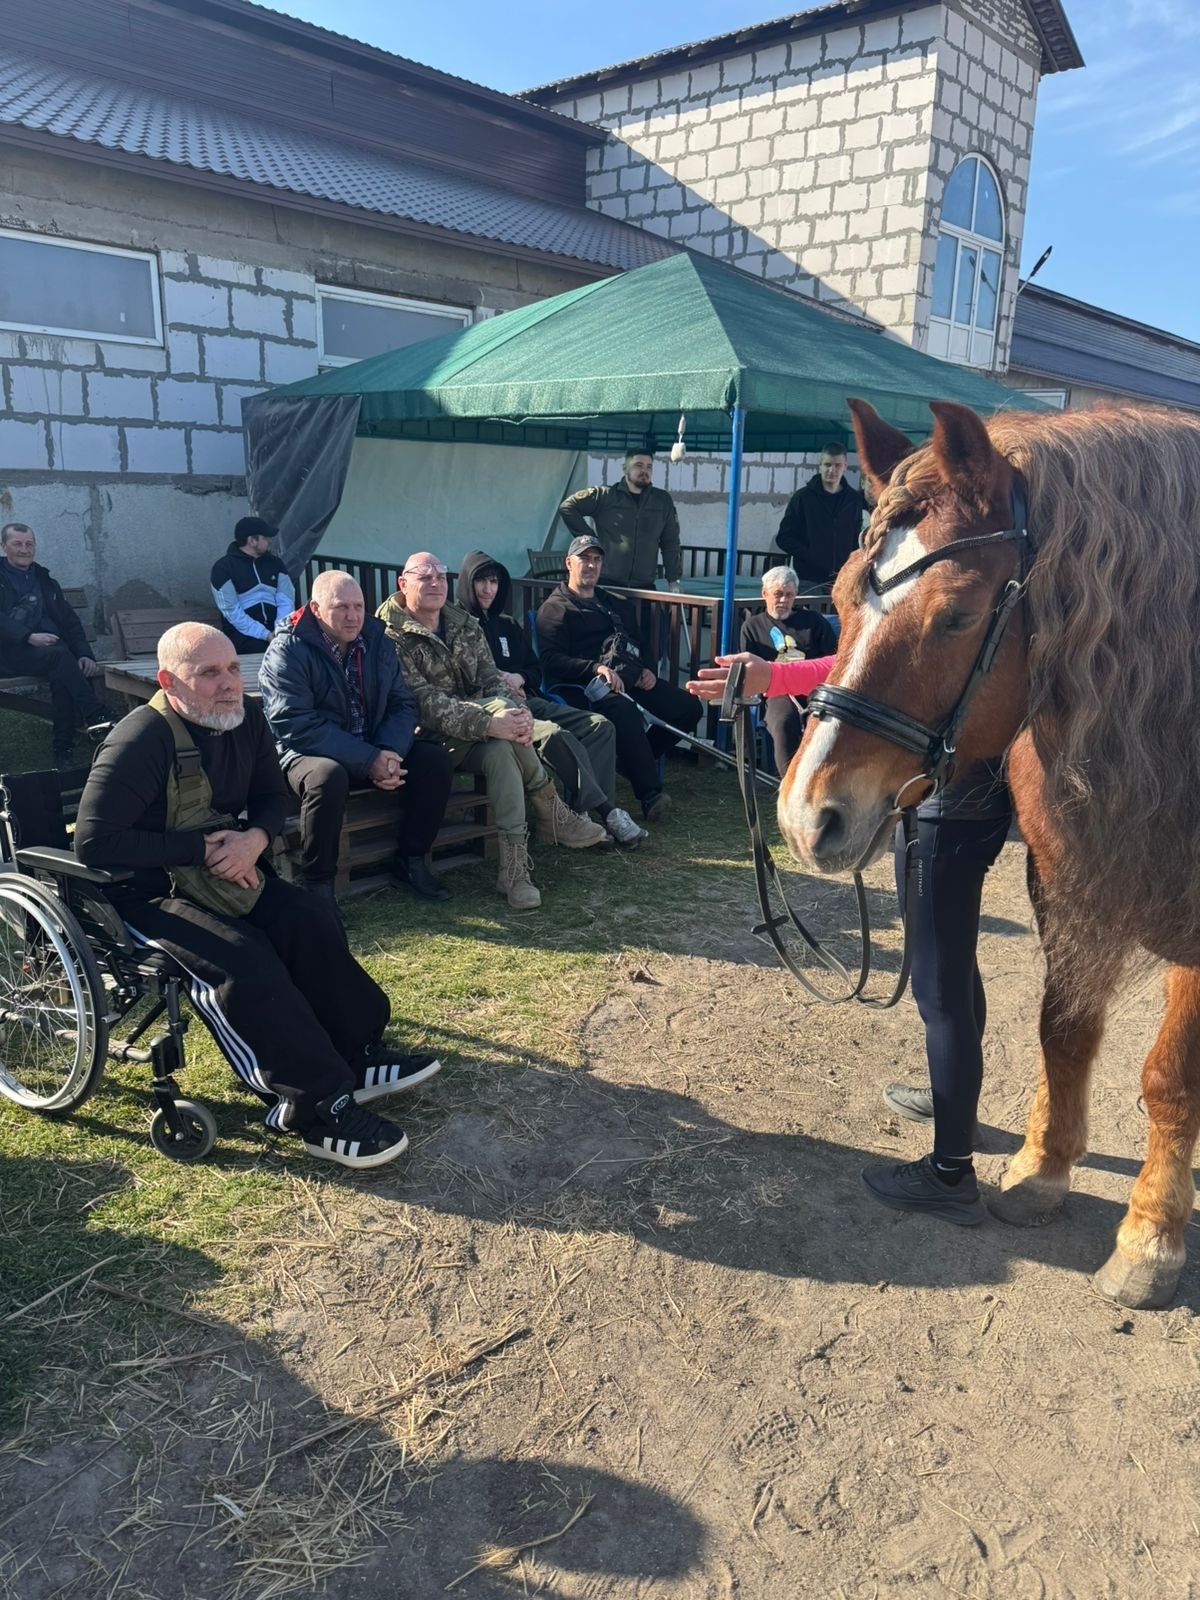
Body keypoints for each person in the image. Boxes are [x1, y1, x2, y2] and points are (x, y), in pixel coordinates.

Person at [74, 622, 441, 1169]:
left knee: (309, 917)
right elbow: (94, 842)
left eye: (230, 669)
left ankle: (357, 1053)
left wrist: (255, 838)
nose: (227, 685)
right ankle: (314, 1107)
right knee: (244, 961)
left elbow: (272, 794)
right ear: (169, 681)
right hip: (141, 896)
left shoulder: (243, 719)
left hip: (225, 868)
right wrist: (200, 850)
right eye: (208, 674)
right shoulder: (139, 740)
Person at [688, 649, 1011, 1228]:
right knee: (955, 969)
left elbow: (884, 665)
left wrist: (777, 676)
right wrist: (776, 677)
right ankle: (957, 1117)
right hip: (976, 798)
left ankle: (950, 1172)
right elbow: (872, 659)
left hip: (945, 805)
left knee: (939, 992)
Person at [377, 552, 608, 911]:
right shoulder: (390, 634)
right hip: (429, 740)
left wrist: (516, 714)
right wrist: (493, 720)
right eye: (425, 577)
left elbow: (492, 679)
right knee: (502, 723)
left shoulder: (464, 624)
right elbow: (422, 703)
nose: (436, 583)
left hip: (485, 734)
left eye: (441, 575)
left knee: (503, 750)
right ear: (403, 584)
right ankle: (552, 810)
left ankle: (514, 873)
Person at [258, 570, 454, 906]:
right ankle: (318, 883)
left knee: (434, 760)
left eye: (359, 606)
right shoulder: (287, 650)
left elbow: (402, 703)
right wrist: (369, 759)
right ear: (316, 609)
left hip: (374, 744)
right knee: (326, 777)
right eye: (341, 607)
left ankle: (411, 859)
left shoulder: (378, 640)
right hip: (309, 752)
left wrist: (390, 751)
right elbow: (294, 723)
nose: (352, 616)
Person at [455, 549, 647, 850]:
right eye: (481, 581)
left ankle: (585, 814)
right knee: (557, 736)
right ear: (467, 583)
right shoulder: (458, 628)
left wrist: (520, 678)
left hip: (531, 698)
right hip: (498, 712)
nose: (488, 589)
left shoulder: (507, 624)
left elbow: (535, 667)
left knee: (600, 725)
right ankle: (606, 814)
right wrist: (500, 681)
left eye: (494, 582)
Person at [536, 537, 701, 823]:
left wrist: (647, 668)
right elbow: (551, 661)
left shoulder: (610, 601)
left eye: (596, 559)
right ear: (569, 563)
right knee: (621, 710)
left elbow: (638, 640)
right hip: (584, 687)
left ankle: (633, 761)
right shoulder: (555, 608)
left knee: (689, 708)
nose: (590, 565)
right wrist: (595, 668)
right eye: (584, 558)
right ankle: (650, 795)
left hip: (631, 679)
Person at [0, 521, 106, 763]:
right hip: (8, 653)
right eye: (17, 544)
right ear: (4, 546)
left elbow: (70, 622)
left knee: (62, 670)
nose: (24, 549)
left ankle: (63, 750)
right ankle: (95, 714)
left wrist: (85, 654)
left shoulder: (44, 580)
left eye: (29, 544)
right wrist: (27, 636)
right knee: (60, 658)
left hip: (50, 655)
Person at [739, 564, 839, 775]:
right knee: (783, 722)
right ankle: (788, 783)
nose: (783, 600)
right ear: (764, 593)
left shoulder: (814, 622)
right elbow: (748, 670)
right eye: (778, 594)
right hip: (777, 691)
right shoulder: (753, 627)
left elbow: (834, 658)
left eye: (789, 595)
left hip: (817, 688)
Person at [558, 449, 683, 591]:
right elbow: (567, 507)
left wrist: (673, 580)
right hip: (607, 583)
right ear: (625, 468)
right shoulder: (606, 496)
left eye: (649, 467)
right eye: (639, 465)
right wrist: (591, 540)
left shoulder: (661, 500)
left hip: (645, 586)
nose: (644, 471)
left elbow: (670, 542)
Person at [772, 444, 867, 590]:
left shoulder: (854, 500)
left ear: (845, 466)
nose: (832, 470)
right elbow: (784, 538)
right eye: (827, 465)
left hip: (841, 579)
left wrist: (853, 565)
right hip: (808, 578)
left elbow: (855, 537)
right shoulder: (803, 497)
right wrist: (811, 555)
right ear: (820, 466)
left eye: (837, 465)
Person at [210, 516, 295, 654]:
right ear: (252, 540)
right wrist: (265, 634)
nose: (270, 541)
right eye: (265, 538)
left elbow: (286, 599)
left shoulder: (276, 563)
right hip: (243, 634)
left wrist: (279, 630)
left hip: (278, 631)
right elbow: (232, 611)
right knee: (272, 653)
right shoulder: (223, 568)